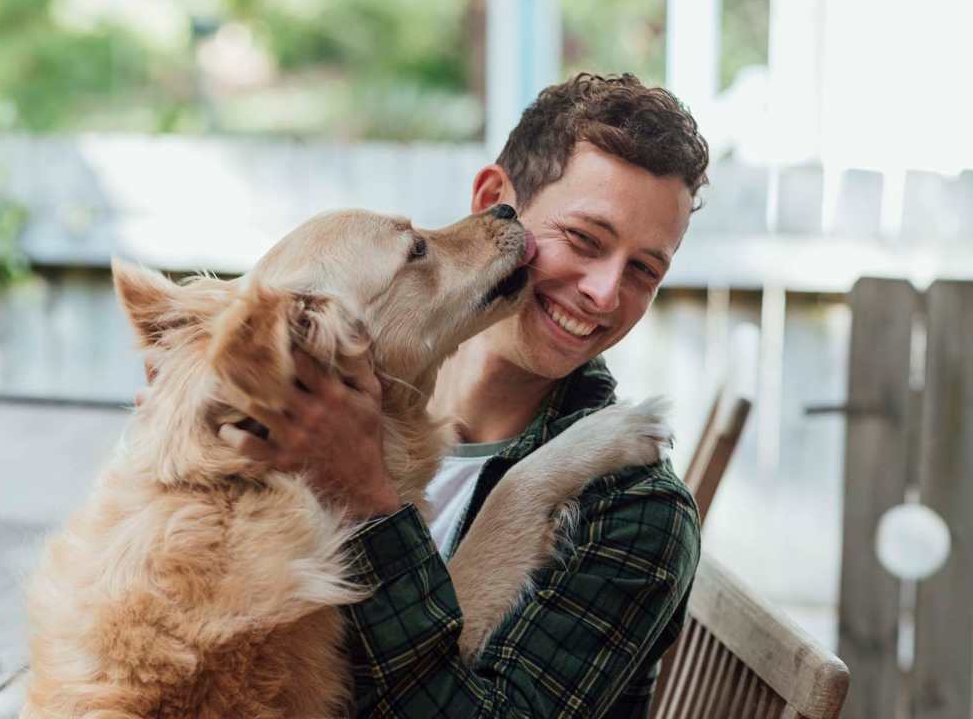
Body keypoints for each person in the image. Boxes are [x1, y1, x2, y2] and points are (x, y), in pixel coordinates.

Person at [210, 73, 708, 717]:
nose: (604, 294)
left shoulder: (634, 509)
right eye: (584, 240)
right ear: (493, 201)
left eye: (643, 270)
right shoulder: (318, 407)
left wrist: (365, 498)